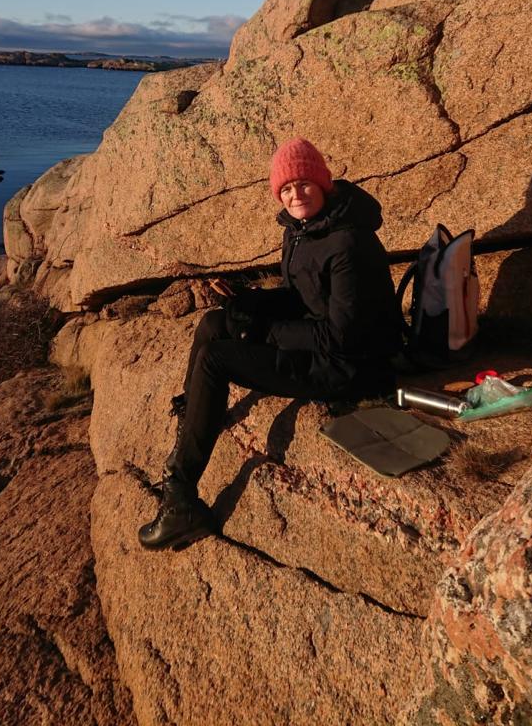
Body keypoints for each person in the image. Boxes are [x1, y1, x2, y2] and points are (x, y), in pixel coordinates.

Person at [138, 138, 400, 550]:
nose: (296, 194)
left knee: (215, 360)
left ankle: (181, 499)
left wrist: (263, 330)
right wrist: (250, 303)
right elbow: (301, 297)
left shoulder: (349, 242)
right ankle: (193, 424)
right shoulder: (300, 230)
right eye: (286, 188)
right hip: (323, 343)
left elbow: (341, 337)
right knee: (214, 323)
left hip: (351, 366)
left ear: (323, 183)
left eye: (304, 184)